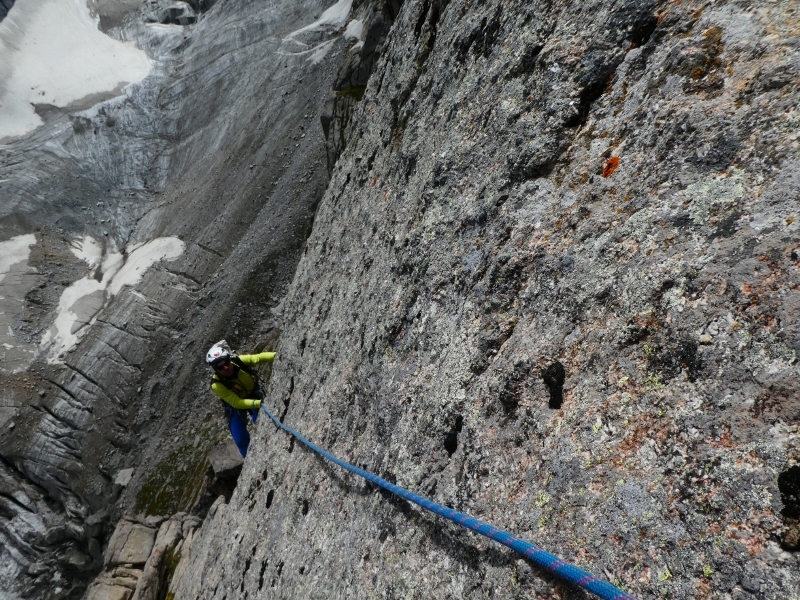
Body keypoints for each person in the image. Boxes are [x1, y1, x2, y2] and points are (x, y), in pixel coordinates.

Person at [206, 341, 276, 458]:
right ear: (215, 370)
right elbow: (236, 402)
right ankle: (251, 462)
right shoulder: (217, 384)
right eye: (220, 367)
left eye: (226, 362)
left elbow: (258, 358)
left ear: (230, 359)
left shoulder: (238, 361)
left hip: (253, 393)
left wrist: (276, 356)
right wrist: (259, 403)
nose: (226, 367)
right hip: (235, 405)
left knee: (260, 422)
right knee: (240, 439)